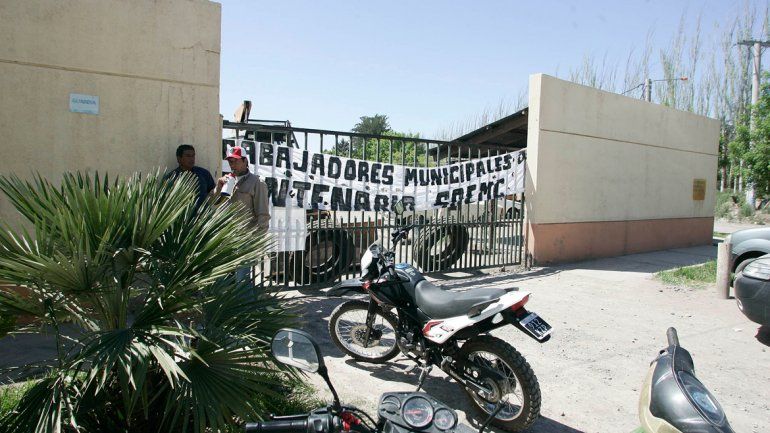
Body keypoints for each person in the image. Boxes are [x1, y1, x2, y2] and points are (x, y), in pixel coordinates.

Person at [215, 146, 271, 286]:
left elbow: (263, 215)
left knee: (242, 281)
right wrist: (218, 188)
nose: (232, 165)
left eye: (236, 161)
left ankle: (245, 306)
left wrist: (255, 241)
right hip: (224, 237)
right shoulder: (226, 180)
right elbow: (213, 204)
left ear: (245, 161)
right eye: (230, 161)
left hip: (244, 238)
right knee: (220, 280)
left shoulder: (257, 183)